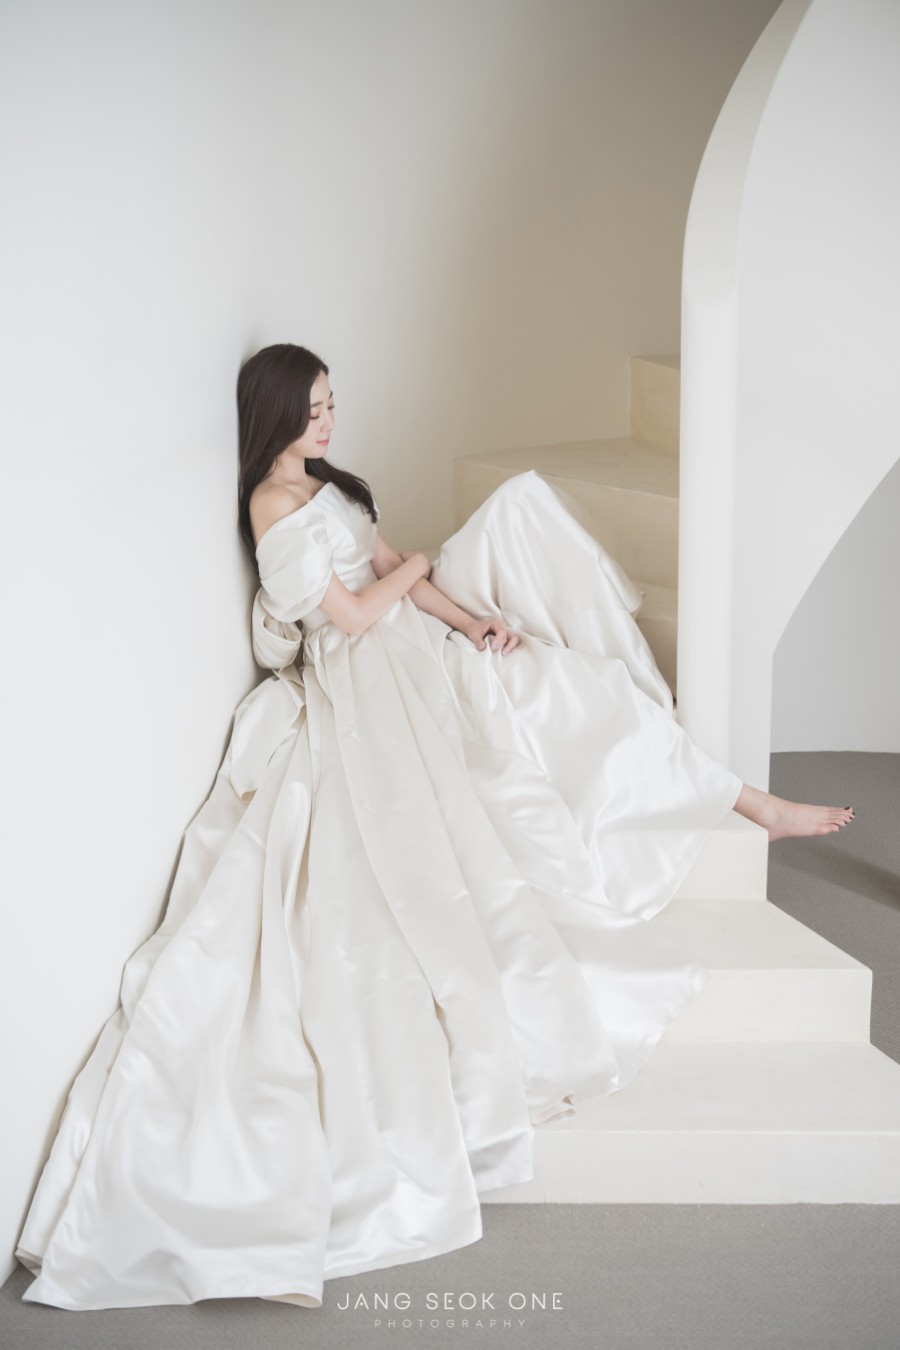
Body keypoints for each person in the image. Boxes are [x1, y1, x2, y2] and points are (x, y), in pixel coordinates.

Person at [15, 343, 855, 1313]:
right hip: (368, 672)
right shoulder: (272, 506)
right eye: (315, 409)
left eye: (333, 404)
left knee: (563, 674)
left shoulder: (325, 483)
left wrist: (467, 622)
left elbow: (392, 572)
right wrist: (415, 567)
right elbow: (354, 613)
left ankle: (744, 799)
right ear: (276, 412)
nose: (329, 422)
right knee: (480, 789)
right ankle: (745, 802)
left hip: (412, 639)